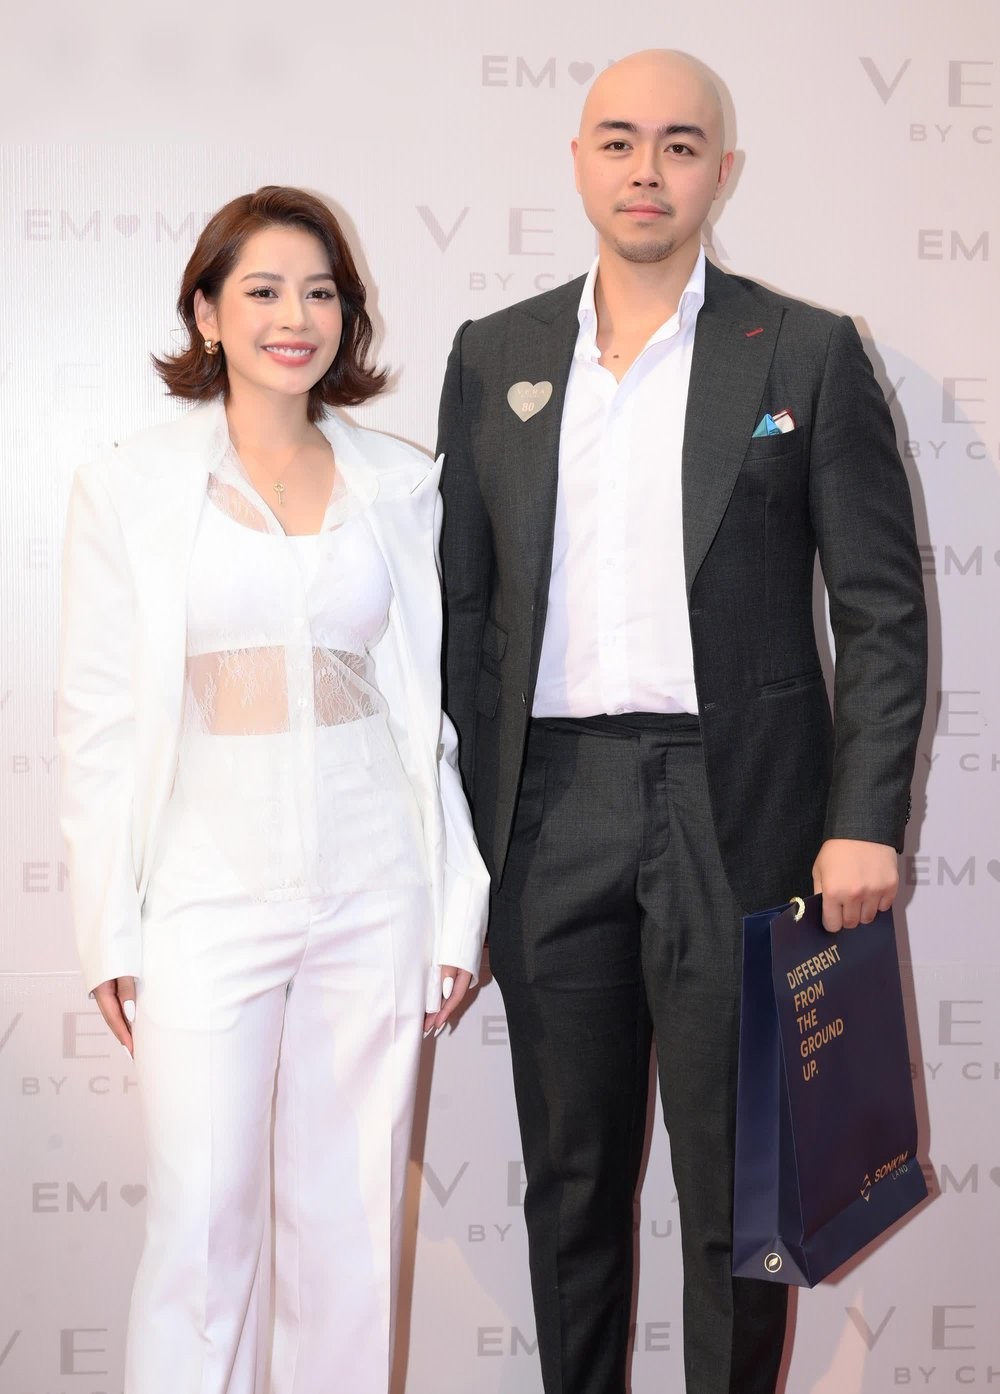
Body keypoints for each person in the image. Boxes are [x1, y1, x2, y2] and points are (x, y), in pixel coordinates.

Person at [436, 49, 927, 1394]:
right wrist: (458, 843)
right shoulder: (495, 355)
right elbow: (461, 616)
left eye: (678, 143)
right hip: (551, 809)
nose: (645, 169)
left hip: (743, 810)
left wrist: (863, 820)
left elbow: (881, 611)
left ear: (723, 169)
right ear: (577, 162)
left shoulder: (805, 350)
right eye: (617, 140)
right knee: (571, 1181)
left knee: (738, 1190)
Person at [58, 184, 489, 1394]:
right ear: (206, 312)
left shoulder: (400, 483)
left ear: (347, 316)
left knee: (350, 1225)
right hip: (203, 892)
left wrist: (454, 904)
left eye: (319, 292)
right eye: (262, 290)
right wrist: (108, 923)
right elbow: (96, 725)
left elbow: (428, 717)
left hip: (376, 886)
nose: (295, 317)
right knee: (200, 1225)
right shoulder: (130, 487)